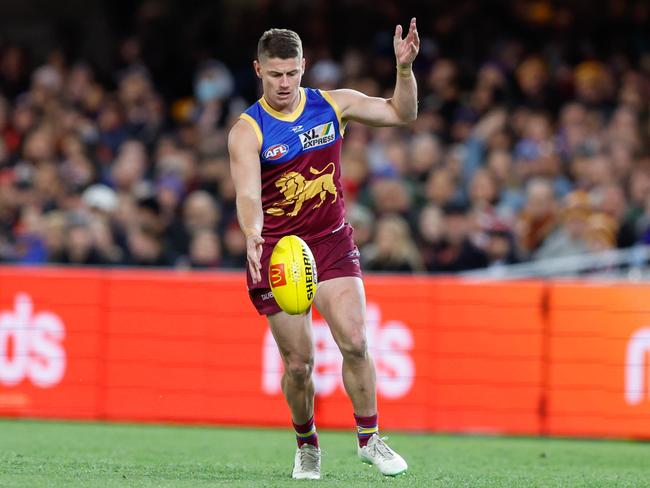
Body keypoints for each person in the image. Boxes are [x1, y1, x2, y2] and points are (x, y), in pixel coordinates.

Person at [228, 19, 419, 480]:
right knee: (299, 365)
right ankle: (307, 443)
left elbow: (402, 113)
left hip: (331, 240)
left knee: (355, 341)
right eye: (275, 74)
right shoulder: (247, 131)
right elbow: (249, 195)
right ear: (258, 70)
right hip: (276, 250)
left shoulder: (333, 105)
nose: (285, 83)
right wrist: (252, 232)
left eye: (292, 72)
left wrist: (404, 69)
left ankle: (370, 438)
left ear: (303, 67)